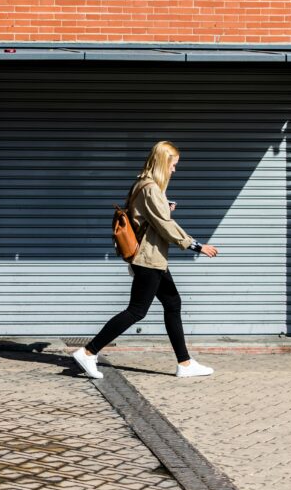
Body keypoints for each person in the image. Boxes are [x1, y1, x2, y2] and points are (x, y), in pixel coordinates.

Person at [72, 141, 219, 379]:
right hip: (148, 259)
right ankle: (88, 352)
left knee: (173, 304)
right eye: (173, 165)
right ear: (163, 163)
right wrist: (196, 245)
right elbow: (165, 226)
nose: (174, 170)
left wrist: (164, 210)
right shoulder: (151, 189)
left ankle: (185, 363)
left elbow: (151, 219)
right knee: (136, 311)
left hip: (153, 258)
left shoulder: (142, 184)